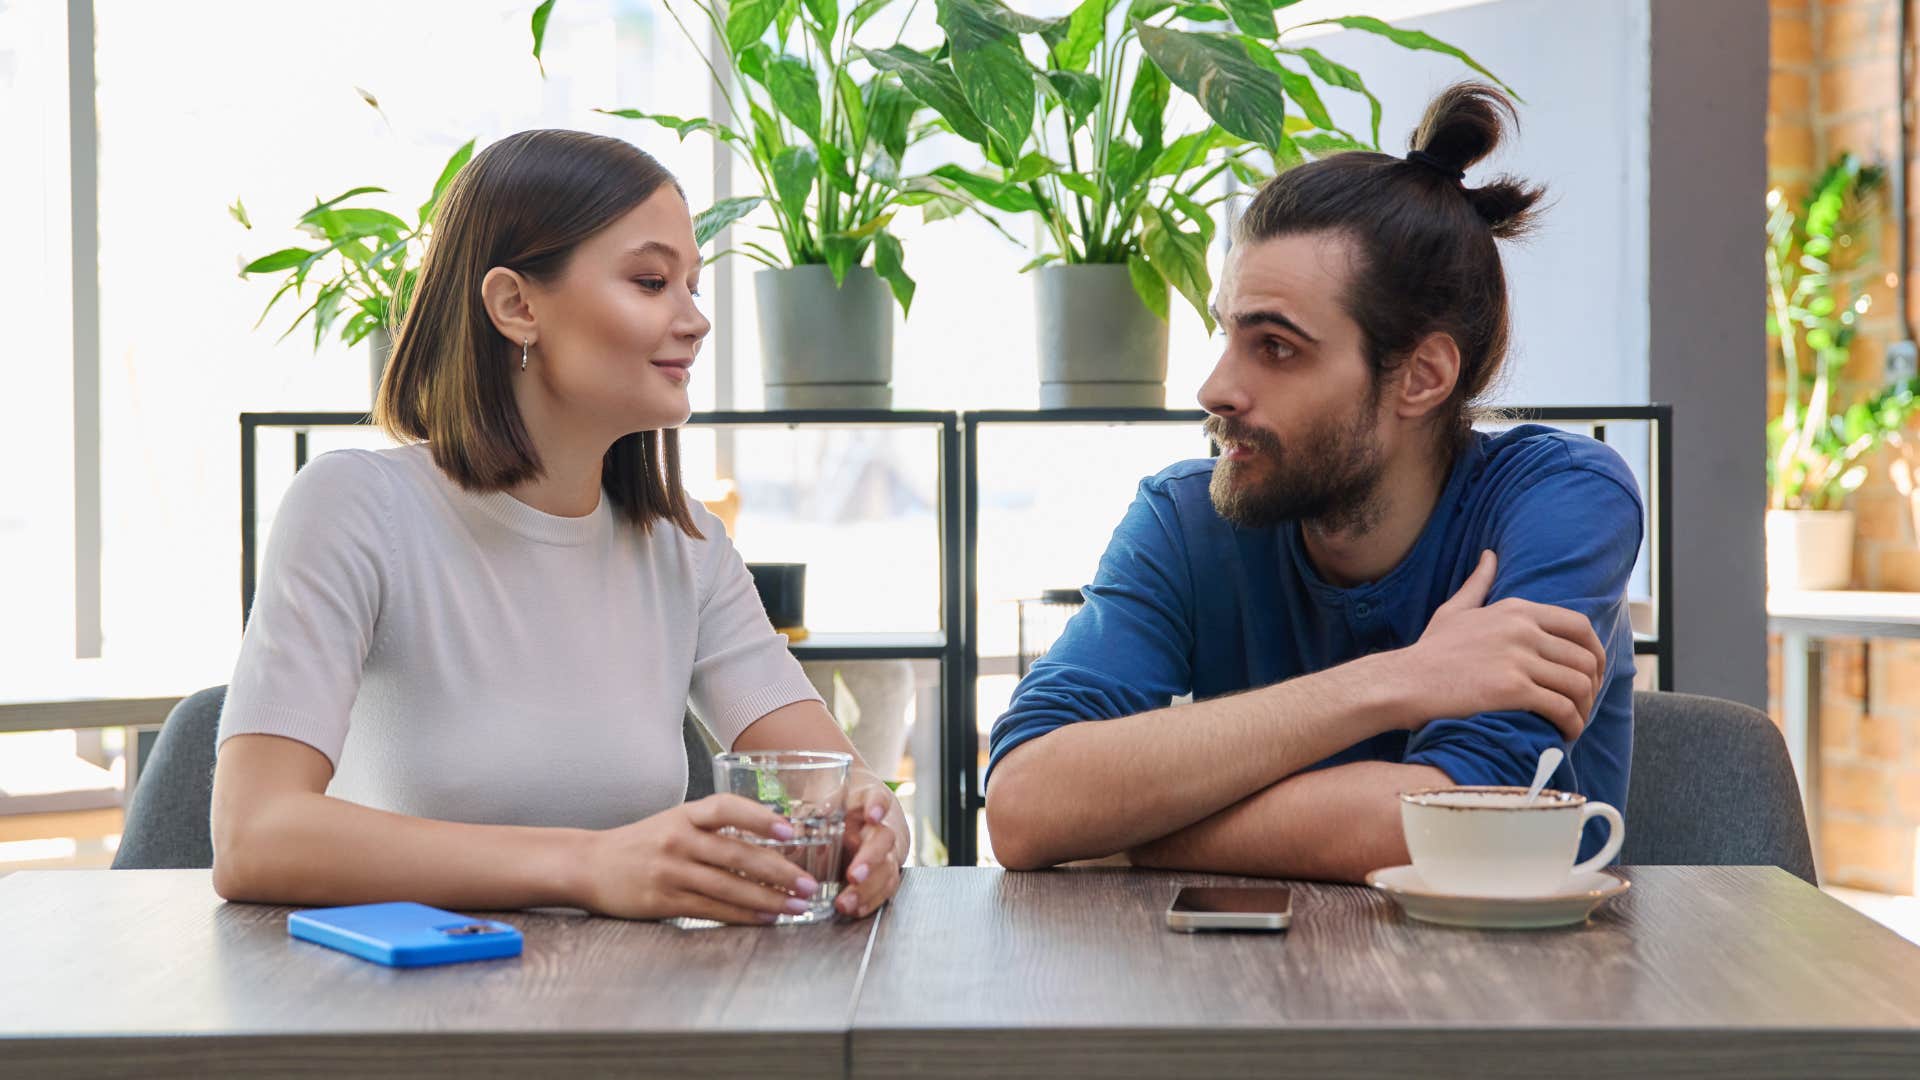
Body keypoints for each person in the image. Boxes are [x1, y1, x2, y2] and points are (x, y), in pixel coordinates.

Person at [211, 130, 907, 923]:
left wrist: (874, 825)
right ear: (517, 305)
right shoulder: (356, 507)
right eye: (651, 281)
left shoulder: (687, 548)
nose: (694, 320)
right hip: (403, 1017)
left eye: (693, 285)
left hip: (626, 1009)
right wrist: (589, 864)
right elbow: (254, 834)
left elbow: (835, 779)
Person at [985, 85, 1641, 882]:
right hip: (1241, 986)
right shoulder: (1186, 519)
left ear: (1421, 377)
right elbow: (1025, 807)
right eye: (1228, 334)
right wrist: (1402, 680)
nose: (1215, 389)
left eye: (1278, 348)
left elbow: (1462, 829)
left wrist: (1128, 834)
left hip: (1512, 990)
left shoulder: (1560, 499)